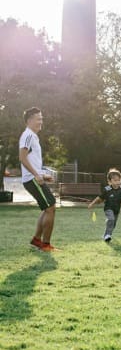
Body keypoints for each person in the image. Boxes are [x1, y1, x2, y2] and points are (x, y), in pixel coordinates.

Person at [19, 107, 58, 252]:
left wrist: (42, 174)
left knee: (48, 207)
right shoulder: (28, 135)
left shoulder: (33, 136)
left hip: (35, 177)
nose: (41, 121)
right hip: (32, 179)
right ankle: (45, 245)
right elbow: (22, 158)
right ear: (29, 121)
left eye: (41, 118)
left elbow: (31, 160)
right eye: (38, 119)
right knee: (50, 207)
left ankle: (36, 240)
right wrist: (36, 175)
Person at [88, 169, 121, 242]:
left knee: (113, 224)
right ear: (109, 181)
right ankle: (108, 235)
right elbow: (99, 198)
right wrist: (92, 204)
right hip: (108, 209)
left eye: (119, 180)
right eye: (115, 180)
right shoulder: (107, 190)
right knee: (111, 219)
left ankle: (106, 235)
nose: (118, 182)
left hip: (116, 210)